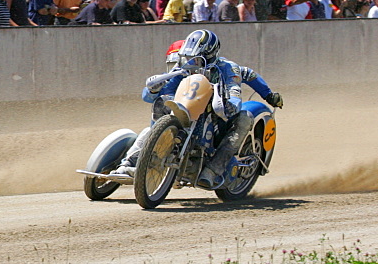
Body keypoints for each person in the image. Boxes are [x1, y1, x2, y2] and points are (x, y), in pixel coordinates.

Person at [115, 30, 283, 187]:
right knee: (161, 104)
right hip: (188, 107)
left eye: (199, 58)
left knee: (245, 117)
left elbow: (242, 82)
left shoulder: (228, 68)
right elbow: (157, 93)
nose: (194, 61)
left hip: (220, 113)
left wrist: (267, 95)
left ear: (210, 55)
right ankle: (130, 162)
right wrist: (154, 89)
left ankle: (213, 170)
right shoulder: (184, 66)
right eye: (191, 57)